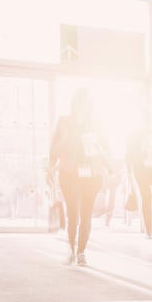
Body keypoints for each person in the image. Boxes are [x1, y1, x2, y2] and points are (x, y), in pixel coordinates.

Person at [50, 89, 110, 266]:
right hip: (69, 173)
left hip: (91, 175)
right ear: (75, 102)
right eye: (81, 101)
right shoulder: (64, 122)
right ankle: (71, 250)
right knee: (73, 214)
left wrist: (108, 167)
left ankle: (81, 252)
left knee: (86, 215)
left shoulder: (97, 124)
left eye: (87, 102)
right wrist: (51, 166)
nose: (83, 105)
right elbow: (54, 146)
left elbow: (105, 147)